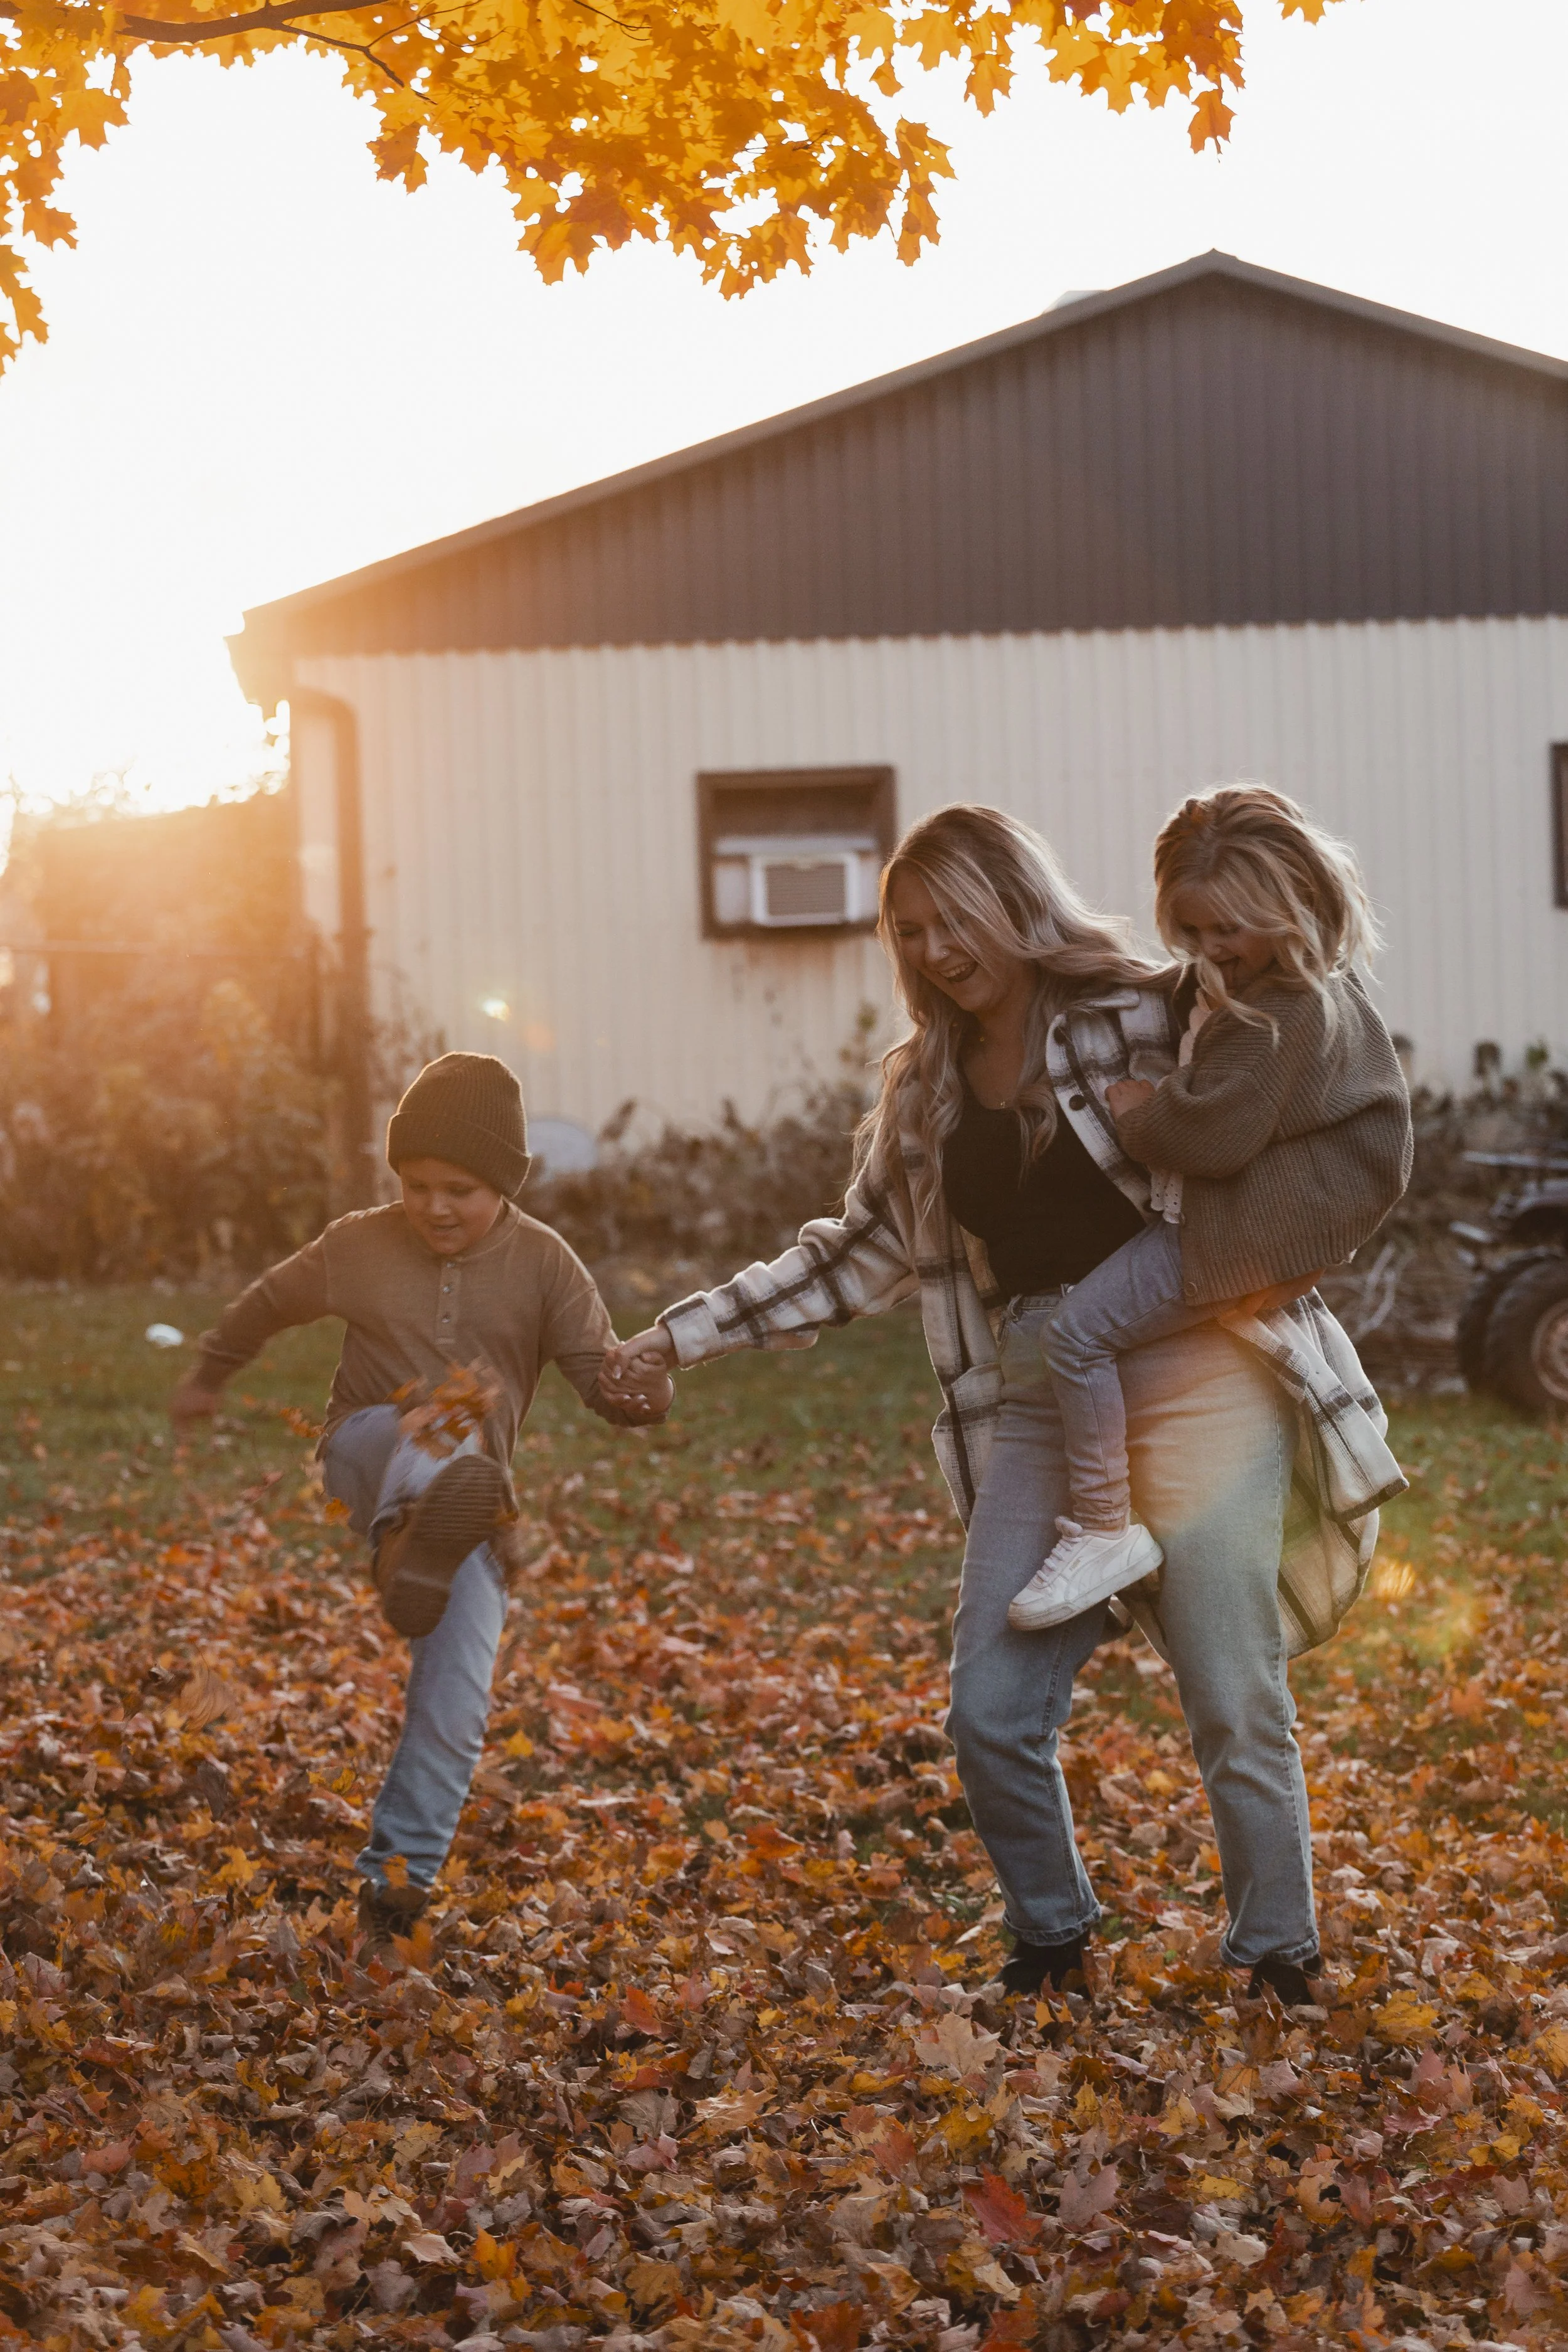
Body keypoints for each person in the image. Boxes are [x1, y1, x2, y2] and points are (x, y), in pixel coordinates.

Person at [604, 803, 1405, 2007]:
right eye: (908, 930)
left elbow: (1299, 1078)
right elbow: (848, 1254)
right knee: (988, 1706)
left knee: (1233, 1692)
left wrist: (1294, 1245)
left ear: (1017, 902)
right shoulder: (927, 1088)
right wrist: (675, 1338)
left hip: (1196, 1375)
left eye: (953, 917)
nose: (933, 949)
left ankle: (1278, 1955)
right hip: (1038, 1386)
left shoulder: (1157, 1007)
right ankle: (1052, 1938)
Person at [170, 1051, 671, 1948]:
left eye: (461, 1188)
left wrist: (642, 1393)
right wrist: (211, 1370)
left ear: (504, 1184)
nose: (435, 1206)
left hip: (466, 1515)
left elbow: (601, 1375)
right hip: (365, 1451)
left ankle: (397, 1887)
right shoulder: (361, 1243)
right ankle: (411, 1525)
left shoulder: (546, 1264)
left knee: (459, 1691)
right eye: (417, 1184)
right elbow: (269, 1300)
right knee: (443, 1424)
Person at [1004, 785, 1412, 1636]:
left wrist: (1138, 1108)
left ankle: (1103, 1526)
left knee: (1077, 1335)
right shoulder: (1319, 989)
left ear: (1292, 904)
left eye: (1230, 928)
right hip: (1278, 1225)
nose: (1211, 951)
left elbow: (1217, 1133)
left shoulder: (1273, 1015)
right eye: (1192, 933)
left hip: (1239, 1236)